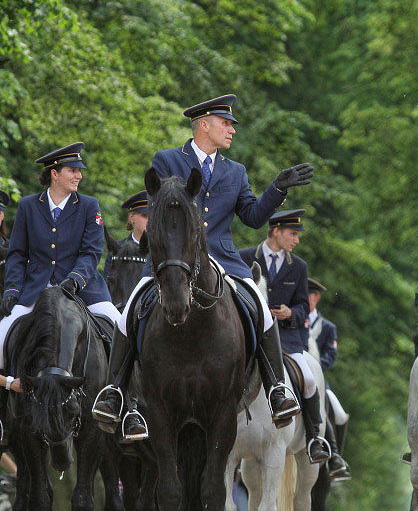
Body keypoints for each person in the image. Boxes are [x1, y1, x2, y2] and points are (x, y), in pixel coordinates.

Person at [93, 94, 312, 439]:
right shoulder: (166, 161)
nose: (232, 131)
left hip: (223, 259)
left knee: (262, 310)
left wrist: (277, 189)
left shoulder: (235, 171)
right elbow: (163, 208)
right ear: (204, 125)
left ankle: (276, 389)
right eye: (226, 124)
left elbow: (253, 218)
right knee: (128, 310)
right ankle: (115, 391)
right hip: (172, 259)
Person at [0, 143, 119, 433]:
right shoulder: (29, 206)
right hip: (36, 290)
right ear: (54, 174)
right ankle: (3, 415)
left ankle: (125, 405)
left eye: (79, 171)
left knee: (123, 328)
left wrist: (76, 278)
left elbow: (92, 252)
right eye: (72, 170)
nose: (78, 176)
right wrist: (12, 289)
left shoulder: (90, 206)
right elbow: (17, 253)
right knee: (2, 334)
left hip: (84, 289)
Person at [239, 210, 331, 465]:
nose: (296, 240)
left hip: (287, 339)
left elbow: (303, 305)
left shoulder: (298, 267)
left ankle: (314, 438)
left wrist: (290, 312)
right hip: (250, 337)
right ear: (276, 231)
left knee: (310, 379)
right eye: (293, 234)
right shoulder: (245, 257)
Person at [307, 277, 350, 480]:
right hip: (293, 372)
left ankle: (336, 458)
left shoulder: (327, 327)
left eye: (307, 294)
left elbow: (330, 356)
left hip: (319, 379)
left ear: (316, 297)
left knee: (339, 415)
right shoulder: (291, 320)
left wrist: (315, 367)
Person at [103, 191, 149, 280]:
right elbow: (107, 287)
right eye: (144, 215)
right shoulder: (118, 250)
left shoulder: (165, 250)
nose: (150, 220)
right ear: (132, 217)